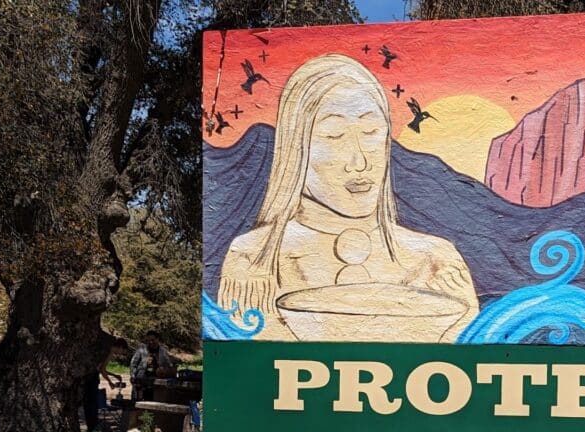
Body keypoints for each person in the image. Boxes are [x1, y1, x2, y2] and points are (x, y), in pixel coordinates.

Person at [219, 54, 478, 342]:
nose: (359, 162)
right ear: (295, 147)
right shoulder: (254, 257)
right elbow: (254, 373)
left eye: (371, 132)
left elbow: (463, 366)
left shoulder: (436, 259)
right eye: (334, 135)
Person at [82, 335, 127, 432]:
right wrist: (110, 380)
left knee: (89, 402)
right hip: (91, 376)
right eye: (122, 352)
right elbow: (102, 369)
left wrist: (113, 377)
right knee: (92, 403)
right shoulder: (109, 351)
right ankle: (92, 427)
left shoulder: (105, 349)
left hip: (91, 374)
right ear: (120, 347)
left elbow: (102, 369)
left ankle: (91, 426)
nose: (119, 355)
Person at [129, 330, 175, 401]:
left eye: (153, 340)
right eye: (148, 340)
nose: (151, 342)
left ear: (158, 339)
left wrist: (164, 369)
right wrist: (133, 376)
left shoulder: (163, 351)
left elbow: (169, 365)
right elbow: (133, 364)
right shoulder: (141, 350)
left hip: (156, 382)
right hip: (141, 380)